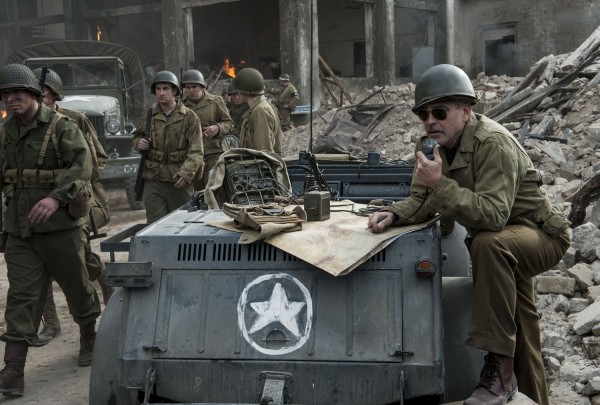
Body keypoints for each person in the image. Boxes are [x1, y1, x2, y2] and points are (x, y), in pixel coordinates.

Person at [366, 64, 570, 405]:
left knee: (487, 243)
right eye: (424, 114)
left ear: (465, 111)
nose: (430, 121)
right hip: (505, 243)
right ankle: (528, 394)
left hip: (540, 235)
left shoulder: (493, 143)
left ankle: (498, 374)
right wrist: (395, 213)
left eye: (440, 112)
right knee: (522, 327)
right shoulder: (431, 147)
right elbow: (422, 200)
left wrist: (440, 184)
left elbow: (492, 216)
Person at [0, 64, 102, 396]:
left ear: (33, 93)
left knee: (77, 287)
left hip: (61, 228)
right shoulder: (5, 132)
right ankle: (13, 371)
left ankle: (89, 336)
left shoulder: (62, 127)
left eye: (17, 92)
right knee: (21, 297)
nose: (11, 99)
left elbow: (82, 166)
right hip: (21, 231)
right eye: (5, 94)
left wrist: (56, 198)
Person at [30, 67, 114, 347]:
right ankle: (51, 323)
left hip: (72, 205)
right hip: (35, 207)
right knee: (39, 266)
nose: (37, 99)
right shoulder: (21, 125)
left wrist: (78, 185)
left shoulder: (74, 120)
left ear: (54, 94)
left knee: (81, 262)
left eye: (42, 94)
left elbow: (97, 158)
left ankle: (104, 281)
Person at [132, 70, 204, 224]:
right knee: (155, 225)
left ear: (175, 91)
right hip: (153, 178)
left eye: (165, 89)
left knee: (181, 225)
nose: (161, 93)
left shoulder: (189, 117)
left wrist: (186, 174)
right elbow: (136, 136)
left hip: (178, 179)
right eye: (158, 89)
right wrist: (139, 143)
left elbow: (196, 151)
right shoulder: (149, 115)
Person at [180, 69, 233, 191]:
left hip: (212, 153)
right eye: (188, 87)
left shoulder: (215, 101)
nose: (191, 90)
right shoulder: (180, 105)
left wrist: (218, 127)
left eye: (194, 87)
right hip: (191, 154)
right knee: (196, 190)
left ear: (202, 86)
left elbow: (229, 123)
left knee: (213, 188)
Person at [232, 68, 282, 155]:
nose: (237, 94)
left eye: (238, 90)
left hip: (258, 163)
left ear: (244, 91)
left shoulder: (260, 111)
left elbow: (262, 151)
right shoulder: (256, 108)